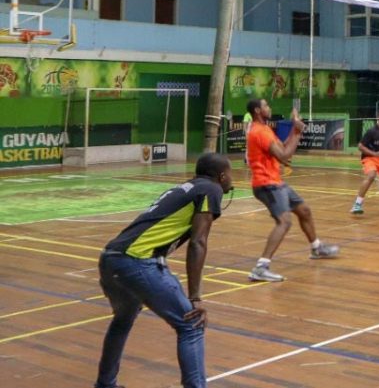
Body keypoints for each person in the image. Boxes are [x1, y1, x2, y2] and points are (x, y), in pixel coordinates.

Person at [94, 153, 234, 388]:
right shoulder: (211, 190)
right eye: (230, 174)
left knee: (122, 320)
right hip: (136, 262)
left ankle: (105, 384)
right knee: (191, 325)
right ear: (221, 176)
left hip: (111, 259)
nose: (232, 179)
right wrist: (195, 297)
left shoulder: (185, 188)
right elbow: (198, 242)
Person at [246, 98, 339, 283]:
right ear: (258, 110)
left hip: (276, 182)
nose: (269, 108)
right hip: (267, 184)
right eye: (266, 106)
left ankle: (316, 247)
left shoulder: (265, 130)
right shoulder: (259, 132)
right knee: (284, 222)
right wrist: (296, 130)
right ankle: (261, 268)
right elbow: (284, 156)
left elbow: (283, 149)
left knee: (304, 211)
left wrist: (294, 132)